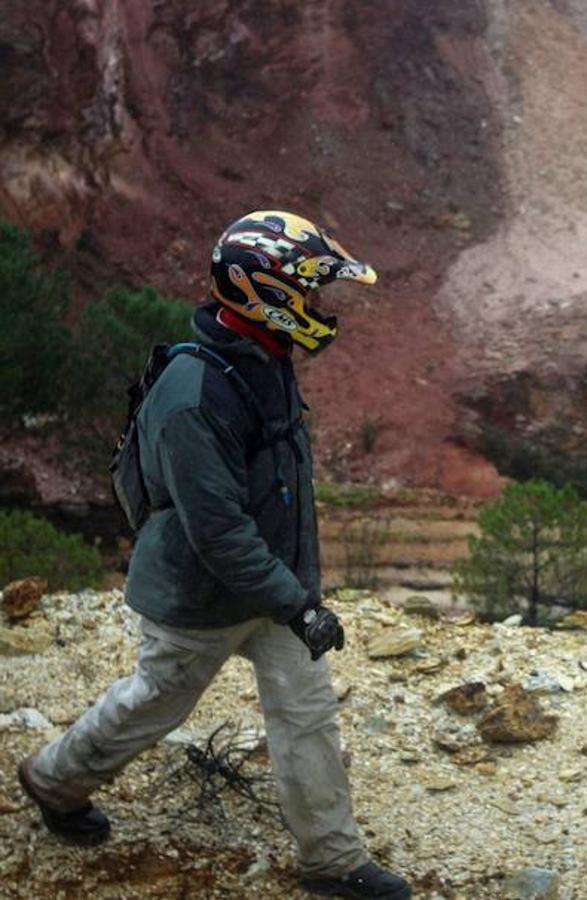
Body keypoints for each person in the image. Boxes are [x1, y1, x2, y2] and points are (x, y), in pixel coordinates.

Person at [16, 211, 411, 900]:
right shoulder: (195, 396)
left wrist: (296, 591)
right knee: (154, 703)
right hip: (200, 595)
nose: (319, 307)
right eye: (310, 293)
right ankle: (53, 780)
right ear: (267, 292)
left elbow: (276, 485)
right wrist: (300, 604)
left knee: (306, 714)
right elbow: (218, 530)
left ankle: (332, 858)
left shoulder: (263, 357)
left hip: (275, 587)